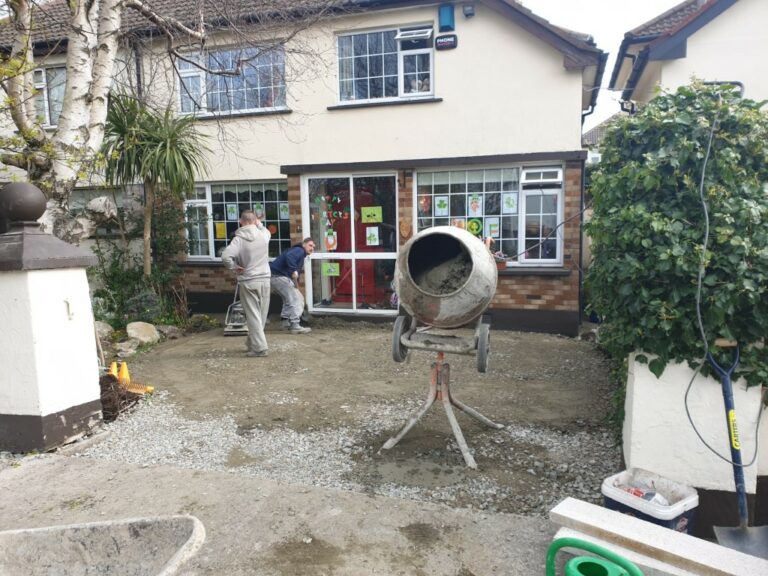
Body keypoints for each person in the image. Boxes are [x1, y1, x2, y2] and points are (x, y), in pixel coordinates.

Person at [221, 210, 271, 357]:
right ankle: (252, 343)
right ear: (255, 221)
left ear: (240, 221)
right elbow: (263, 228)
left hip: (248, 280)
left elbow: (225, 256)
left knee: (253, 315)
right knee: (261, 315)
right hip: (265, 279)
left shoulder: (239, 239)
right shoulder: (264, 235)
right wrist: (258, 222)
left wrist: (235, 267)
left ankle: (259, 348)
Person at [270, 237, 315, 334]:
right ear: (304, 244)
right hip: (279, 276)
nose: (312, 248)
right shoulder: (299, 250)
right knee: (296, 299)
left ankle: (285, 322)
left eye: (313, 247)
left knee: (289, 299)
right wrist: (294, 270)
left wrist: (295, 281)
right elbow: (289, 256)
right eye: (310, 245)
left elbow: (295, 273)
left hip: (274, 277)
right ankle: (295, 325)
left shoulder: (298, 252)